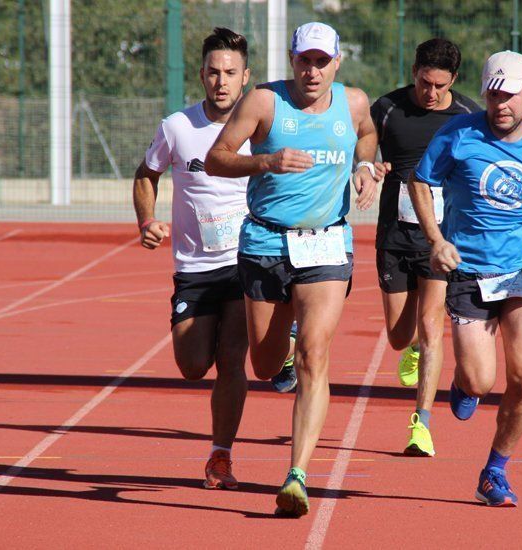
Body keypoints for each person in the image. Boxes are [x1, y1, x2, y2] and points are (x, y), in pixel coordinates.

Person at [206, 21, 385, 517]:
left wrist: (365, 168)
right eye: (305, 60)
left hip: (327, 244)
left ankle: (297, 475)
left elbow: (367, 134)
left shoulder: (352, 103)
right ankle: (280, 351)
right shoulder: (264, 102)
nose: (313, 70)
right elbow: (216, 158)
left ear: (337, 63)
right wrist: (266, 162)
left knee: (315, 356)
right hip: (265, 242)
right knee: (264, 366)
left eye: (322, 61)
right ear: (292, 60)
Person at [408, 50, 522, 506]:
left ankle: (494, 471)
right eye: (492, 95)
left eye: (508, 96)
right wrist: (435, 240)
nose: (499, 104)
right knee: (481, 381)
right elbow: (420, 182)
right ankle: (465, 383)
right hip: (468, 271)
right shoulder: (458, 134)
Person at [132, 27, 256, 491]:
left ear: (246, 77)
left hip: (246, 261)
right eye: (213, 72)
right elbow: (146, 175)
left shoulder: (260, 127)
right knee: (191, 364)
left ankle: (220, 455)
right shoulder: (177, 127)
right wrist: (147, 223)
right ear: (201, 74)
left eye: (230, 73)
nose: (221, 81)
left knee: (232, 358)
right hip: (194, 267)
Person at [370, 38, 480, 457]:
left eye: (439, 85)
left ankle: (422, 424)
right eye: (423, 82)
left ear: (453, 79)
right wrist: (369, 165)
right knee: (400, 336)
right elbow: (364, 144)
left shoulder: (468, 115)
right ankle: (412, 347)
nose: (429, 93)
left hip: (442, 240)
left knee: (433, 324)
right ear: (414, 70)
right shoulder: (388, 108)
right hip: (394, 235)